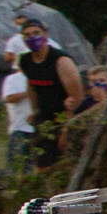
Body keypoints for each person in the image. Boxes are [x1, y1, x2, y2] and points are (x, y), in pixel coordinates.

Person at [17, 18, 82, 165]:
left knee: (64, 161)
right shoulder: (25, 61)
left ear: (45, 34)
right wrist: (34, 110)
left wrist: (67, 126)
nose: (32, 37)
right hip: (43, 119)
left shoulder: (61, 61)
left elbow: (77, 96)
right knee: (42, 163)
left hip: (62, 117)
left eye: (36, 33)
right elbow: (31, 84)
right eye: (27, 35)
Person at [1, 69, 33, 167]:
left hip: (37, 129)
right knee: (14, 166)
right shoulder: (13, 79)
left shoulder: (42, 77)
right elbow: (9, 98)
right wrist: (28, 92)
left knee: (31, 167)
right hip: (19, 128)